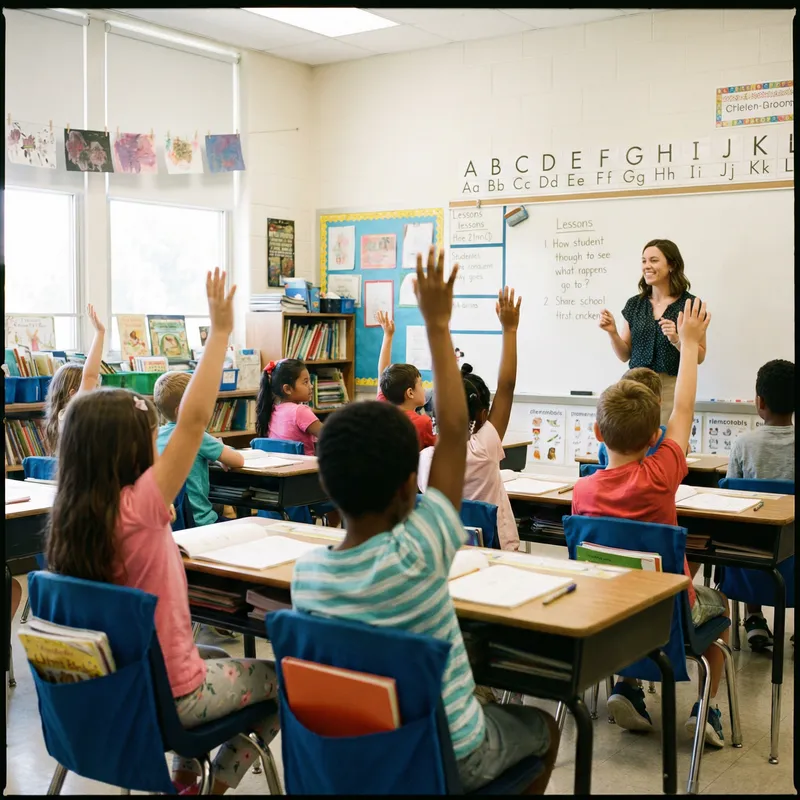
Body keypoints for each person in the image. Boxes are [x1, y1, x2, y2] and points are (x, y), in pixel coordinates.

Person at [291, 247, 558, 793]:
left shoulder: (306, 576)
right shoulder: (422, 548)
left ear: (326, 486)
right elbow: (456, 429)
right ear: (406, 484)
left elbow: (450, 432)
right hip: (446, 758)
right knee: (545, 727)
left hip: (361, 754)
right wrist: (438, 325)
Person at [44, 270, 279, 795]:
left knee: (217, 658)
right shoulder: (142, 505)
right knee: (280, 681)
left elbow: (82, 411)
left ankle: (185, 779)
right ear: (133, 450)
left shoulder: (71, 510)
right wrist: (220, 333)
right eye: (152, 437)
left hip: (114, 688)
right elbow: (193, 422)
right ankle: (213, 788)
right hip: (171, 695)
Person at [574, 298, 730, 748]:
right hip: (669, 615)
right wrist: (690, 344)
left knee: (628, 591)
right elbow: (682, 409)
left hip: (609, 611)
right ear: (654, 437)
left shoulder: (582, 490)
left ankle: (627, 686)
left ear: (597, 434)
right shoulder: (661, 474)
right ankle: (705, 710)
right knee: (718, 608)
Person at [417, 287, 523, 552]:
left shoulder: (426, 460)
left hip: (446, 552)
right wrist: (509, 330)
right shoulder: (483, 449)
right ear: (483, 414)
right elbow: (507, 386)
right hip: (494, 551)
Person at [599, 239, 707, 425]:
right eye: (644, 261)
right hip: (634, 388)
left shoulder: (690, 305)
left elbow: (699, 356)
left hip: (671, 388)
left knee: (667, 439)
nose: (647, 266)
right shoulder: (634, 304)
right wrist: (612, 333)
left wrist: (676, 339)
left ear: (672, 265)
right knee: (634, 439)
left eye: (654, 260)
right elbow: (624, 355)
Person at [726, 358, 795, 650]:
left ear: (760, 401)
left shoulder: (743, 445)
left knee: (747, 528)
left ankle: (753, 617)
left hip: (751, 561)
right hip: (794, 560)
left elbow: (730, 500)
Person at [154, 371, 244, 526]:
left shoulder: (155, 435)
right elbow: (238, 460)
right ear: (181, 410)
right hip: (200, 521)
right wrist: (220, 452)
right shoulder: (194, 435)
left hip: (172, 524)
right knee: (245, 528)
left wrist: (215, 457)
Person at [43, 303, 105, 452]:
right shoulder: (71, 415)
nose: (98, 394)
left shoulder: (62, 418)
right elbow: (90, 376)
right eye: (94, 390)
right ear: (73, 395)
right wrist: (100, 332)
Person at [375, 310, 436, 450]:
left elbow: (382, 373)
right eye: (420, 384)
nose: (424, 389)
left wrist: (388, 336)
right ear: (410, 393)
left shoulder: (382, 410)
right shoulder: (423, 422)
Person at [597, 368, 666, 466]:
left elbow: (602, 462)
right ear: (659, 403)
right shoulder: (665, 437)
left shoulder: (608, 435)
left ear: (598, 431)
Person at [255, 358, 322, 455]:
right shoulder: (300, 411)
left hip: (282, 463)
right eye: (305, 382)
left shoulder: (272, 410)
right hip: (304, 464)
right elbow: (330, 435)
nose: (311, 386)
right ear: (287, 389)